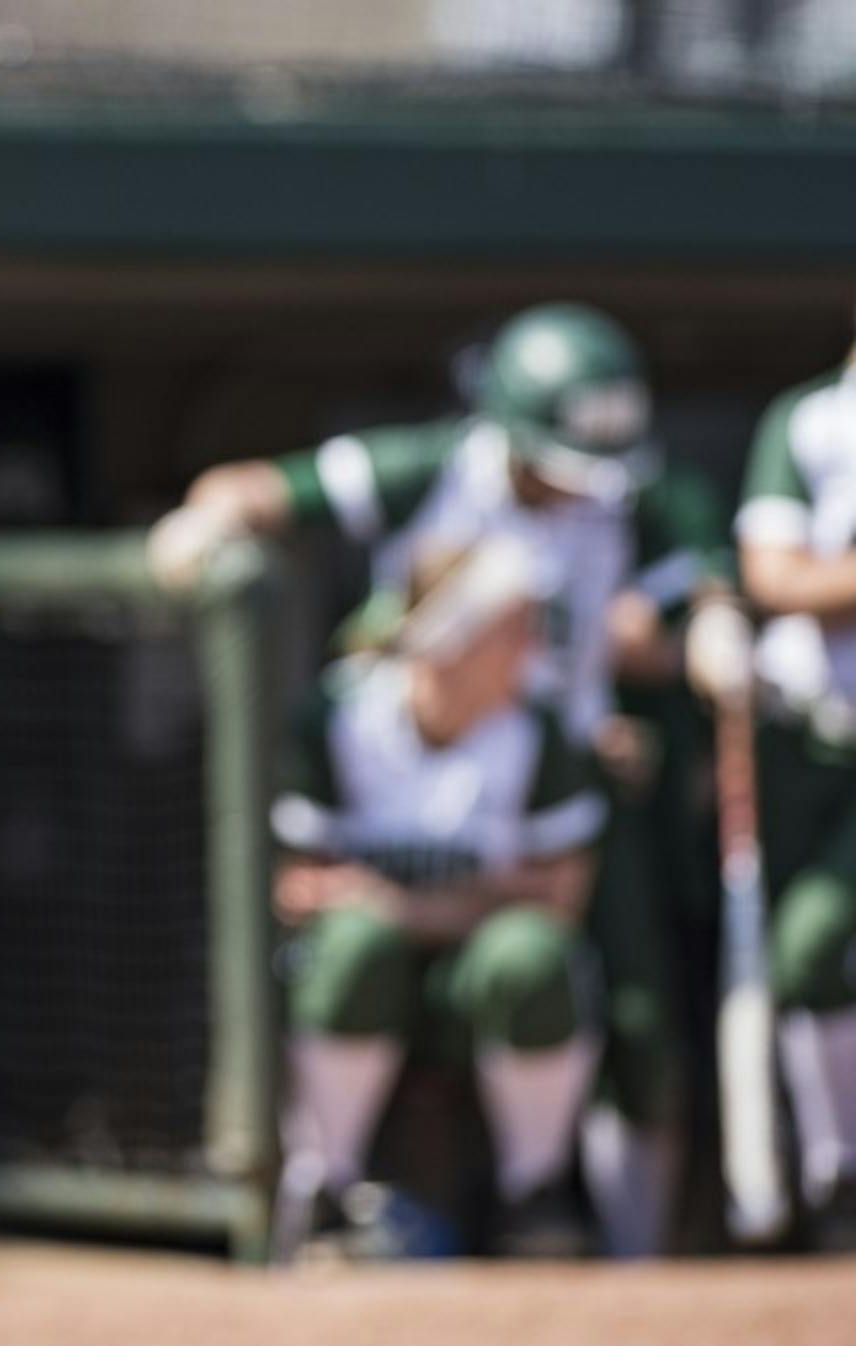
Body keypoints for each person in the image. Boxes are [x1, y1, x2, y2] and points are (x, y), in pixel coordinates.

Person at [149, 302, 735, 1256]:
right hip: (425, 763)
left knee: (625, 1013)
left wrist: (688, 640)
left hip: (563, 778)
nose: (575, 485)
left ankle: (603, 1243)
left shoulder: (631, 495)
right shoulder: (419, 494)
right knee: (344, 961)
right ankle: (319, 1197)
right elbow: (254, 489)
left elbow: (701, 585)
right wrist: (206, 521)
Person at [268, 538, 608, 1260]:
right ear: (453, 639)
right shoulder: (343, 714)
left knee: (531, 955)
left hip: (475, 986)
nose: (531, 649)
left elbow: (560, 898)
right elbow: (296, 887)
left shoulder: (535, 727)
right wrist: (483, 896)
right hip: (365, 984)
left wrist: (397, 904)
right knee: (353, 947)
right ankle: (325, 1192)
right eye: (511, 629)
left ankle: (534, 1195)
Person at [728, 346, 856, 1245]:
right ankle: (835, 1173)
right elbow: (774, 578)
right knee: (806, 950)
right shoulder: (812, 418)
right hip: (813, 739)